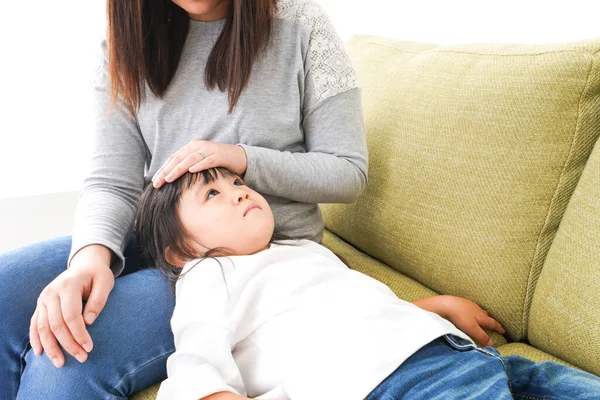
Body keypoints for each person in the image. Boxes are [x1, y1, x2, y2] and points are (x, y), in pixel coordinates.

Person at [0, 0, 369, 398]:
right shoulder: (124, 42)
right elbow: (113, 181)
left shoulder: (300, 25)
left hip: (243, 254)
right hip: (161, 232)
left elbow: (348, 171)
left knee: (67, 357)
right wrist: (90, 258)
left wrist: (241, 158)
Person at [135, 167, 600, 400]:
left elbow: (357, 313)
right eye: (212, 193)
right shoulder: (207, 275)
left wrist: (434, 306)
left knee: (562, 384)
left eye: (237, 180)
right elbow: (195, 364)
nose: (238, 190)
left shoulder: (303, 250)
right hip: (388, 383)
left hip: (449, 350)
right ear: (181, 250)